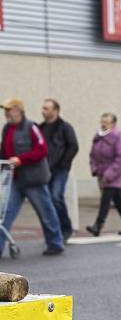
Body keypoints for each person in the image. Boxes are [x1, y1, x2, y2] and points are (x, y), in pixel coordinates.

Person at [0, 97, 64, 256]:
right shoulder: (7, 128)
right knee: (5, 214)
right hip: (14, 179)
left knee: (46, 212)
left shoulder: (31, 127)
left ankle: (55, 243)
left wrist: (21, 159)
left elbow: (42, 150)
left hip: (34, 179)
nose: (6, 113)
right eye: (5, 111)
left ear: (19, 111)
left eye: (9, 110)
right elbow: (4, 151)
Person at [87, 112, 121, 236]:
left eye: (106, 122)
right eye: (102, 122)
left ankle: (97, 226)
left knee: (105, 200)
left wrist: (108, 175)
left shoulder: (118, 138)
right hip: (103, 175)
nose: (103, 124)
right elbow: (92, 155)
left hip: (115, 175)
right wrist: (95, 169)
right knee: (119, 202)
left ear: (113, 124)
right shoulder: (98, 137)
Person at [40, 98, 79, 242]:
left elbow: (73, 146)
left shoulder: (64, 127)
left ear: (55, 111)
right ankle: (54, 231)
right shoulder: (41, 128)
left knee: (56, 196)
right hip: (44, 169)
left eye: (46, 108)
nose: (43, 111)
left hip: (59, 169)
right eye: (43, 108)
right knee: (47, 200)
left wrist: (64, 163)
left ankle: (65, 228)